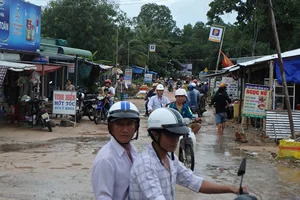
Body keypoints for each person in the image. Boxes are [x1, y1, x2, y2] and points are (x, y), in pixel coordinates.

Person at [129, 108, 246, 199]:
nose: (175, 140)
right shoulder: (146, 164)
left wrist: (232, 189)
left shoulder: (170, 158)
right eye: (171, 136)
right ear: (155, 134)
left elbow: (194, 182)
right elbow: (156, 197)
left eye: (177, 135)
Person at [92, 101, 140, 200]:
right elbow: (103, 197)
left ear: (136, 127)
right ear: (111, 127)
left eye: (129, 124)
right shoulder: (106, 160)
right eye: (119, 124)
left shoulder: (133, 151)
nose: (125, 130)